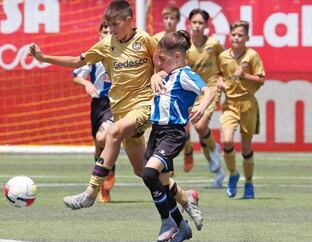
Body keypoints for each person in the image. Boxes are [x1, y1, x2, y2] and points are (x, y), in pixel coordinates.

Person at [29, 0, 203, 229]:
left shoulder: (145, 40)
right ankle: (184, 198)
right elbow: (76, 61)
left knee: (113, 133)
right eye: (108, 25)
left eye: (115, 24)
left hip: (143, 106)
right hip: (122, 111)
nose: (111, 29)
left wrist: (156, 74)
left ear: (129, 21)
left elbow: (165, 61)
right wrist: (44, 58)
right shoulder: (105, 44)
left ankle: (91, 192)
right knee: (144, 172)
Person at [143, 31, 214, 242]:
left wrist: (202, 106)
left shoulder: (184, 74)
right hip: (157, 132)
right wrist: (157, 73)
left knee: (148, 174)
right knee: (163, 184)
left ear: (176, 55)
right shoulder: (168, 74)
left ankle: (167, 220)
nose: (159, 62)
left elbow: (208, 90)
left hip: (172, 133)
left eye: (162, 58)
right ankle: (182, 228)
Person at [217, 20, 265, 199]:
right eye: (234, 34)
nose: (236, 38)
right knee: (227, 140)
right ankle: (233, 174)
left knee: (246, 147)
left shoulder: (252, 55)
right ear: (230, 36)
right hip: (229, 103)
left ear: (247, 37)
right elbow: (219, 74)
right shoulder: (223, 56)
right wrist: (220, 82)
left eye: (240, 35)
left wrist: (245, 75)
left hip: (248, 104)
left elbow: (261, 79)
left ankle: (249, 183)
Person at [72, 22, 115, 203]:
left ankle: (106, 176)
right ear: (99, 34)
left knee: (103, 138)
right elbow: (77, 76)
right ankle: (105, 174)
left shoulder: (121, 53)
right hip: (98, 105)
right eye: (104, 32)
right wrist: (87, 83)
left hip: (115, 103)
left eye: (110, 32)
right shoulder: (94, 55)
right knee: (98, 145)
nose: (107, 34)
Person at [183, 9, 225, 187]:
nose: (198, 26)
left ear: (207, 25)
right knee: (200, 132)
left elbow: (224, 62)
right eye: (195, 22)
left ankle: (215, 150)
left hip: (210, 89)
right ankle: (217, 171)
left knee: (200, 125)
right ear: (189, 24)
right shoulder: (185, 46)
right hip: (193, 91)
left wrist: (222, 78)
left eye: (201, 23)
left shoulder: (214, 44)